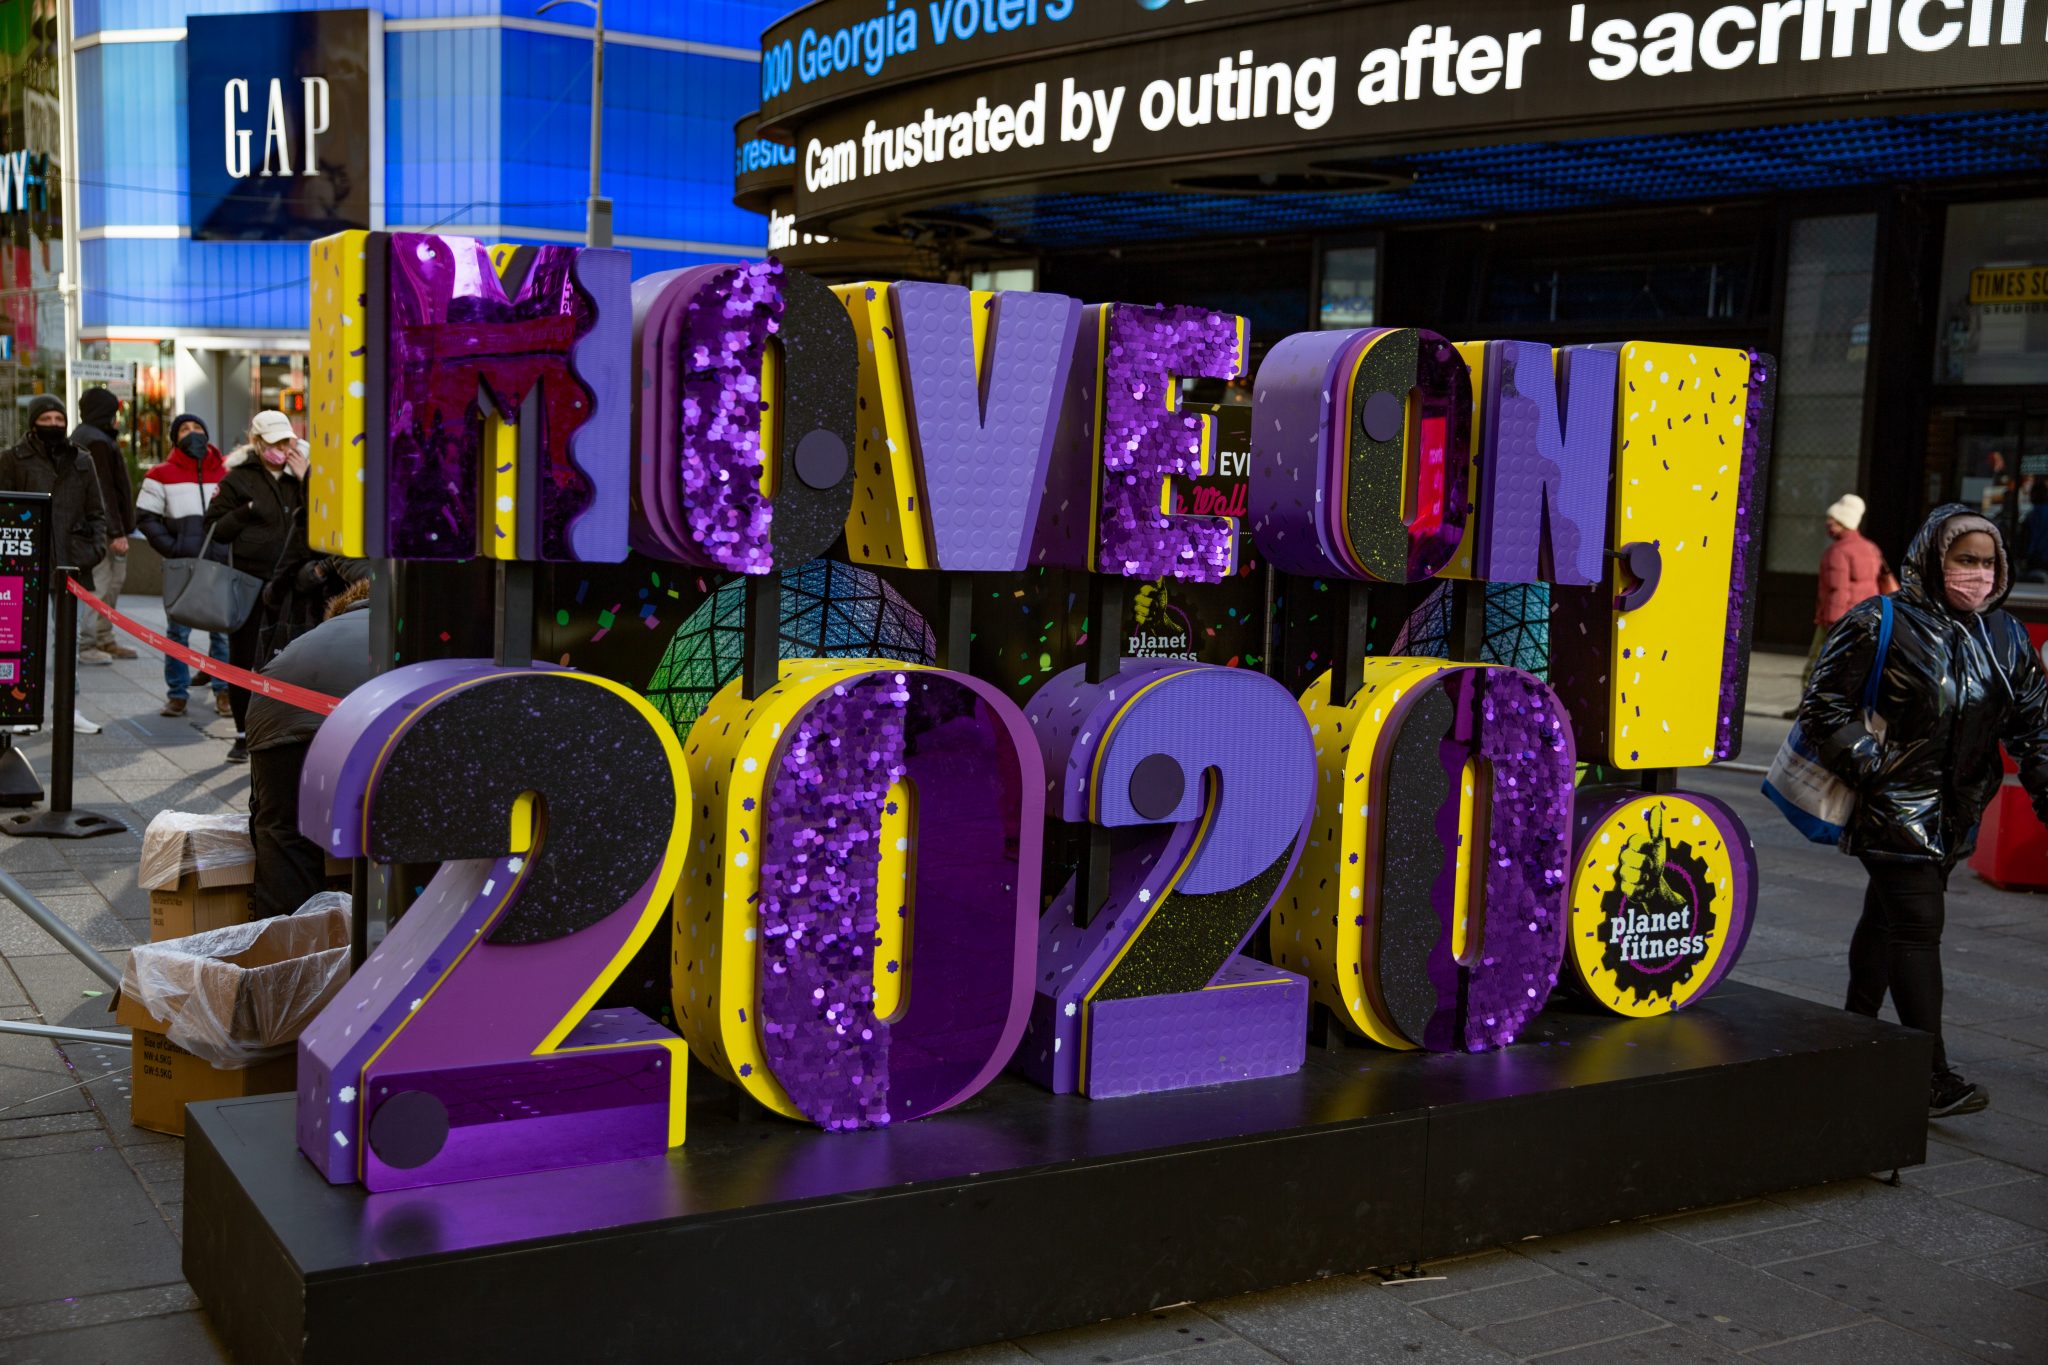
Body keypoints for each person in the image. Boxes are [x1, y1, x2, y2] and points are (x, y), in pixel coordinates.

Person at [1802, 504, 2048, 1120]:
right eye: (1966, 559)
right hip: (1892, 807)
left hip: (1956, 811)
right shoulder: (1878, 621)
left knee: (1885, 919)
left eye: (1988, 561)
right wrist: (1873, 768)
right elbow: (1824, 705)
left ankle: (1856, 1028)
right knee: (1916, 928)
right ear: (1934, 560)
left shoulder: (2005, 635)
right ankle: (1929, 1075)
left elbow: (2034, 725)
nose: (1979, 573)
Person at [245, 578, 372, 918]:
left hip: (276, 721)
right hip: (362, 723)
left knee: (284, 833)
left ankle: (289, 940)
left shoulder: (316, 635)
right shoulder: (408, 628)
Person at [203, 411, 308, 764]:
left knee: (289, 658)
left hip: (291, 583)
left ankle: (283, 730)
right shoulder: (237, 478)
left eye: (286, 441)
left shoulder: (300, 474)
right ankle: (242, 733)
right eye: (274, 442)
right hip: (249, 581)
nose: (282, 448)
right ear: (257, 442)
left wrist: (306, 479)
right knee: (243, 657)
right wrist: (245, 511)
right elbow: (215, 528)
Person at [0, 397, 109, 736]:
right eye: (45, 418)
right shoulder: (12, 459)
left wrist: (94, 550)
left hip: (72, 564)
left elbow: (97, 513)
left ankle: (67, 708)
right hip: (25, 565)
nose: (53, 424)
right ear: (33, 423)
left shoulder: (82, 459)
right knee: (22, 640)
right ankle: (19, 708)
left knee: (68, 642)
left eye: (58, 418)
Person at [135, 414, 232, 719]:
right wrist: (172, 548)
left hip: (221, 563)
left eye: (197, 428)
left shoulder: (228, 471)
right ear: (174, 438)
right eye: (184, 429)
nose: (192, 433)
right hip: (182, 564)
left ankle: (224, 691)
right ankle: (177, 694)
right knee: (178, 632)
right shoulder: (160, 474)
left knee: (222, 632)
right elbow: (145, 517)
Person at [71, 388, 137, 665]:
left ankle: (102, 637)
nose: (116, 418)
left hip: (96, 527)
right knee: (101, 585)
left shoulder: (86, 436)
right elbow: (104, 490)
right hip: (101, 530)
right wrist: (115, 531)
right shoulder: (96, 441)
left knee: (109, 584)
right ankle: (88, 644)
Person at [1799, 494, 1885, 692]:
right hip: (1866, 617)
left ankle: (1810, 702)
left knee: (1818, 663)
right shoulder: (1871, 548)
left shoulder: (1837, 552)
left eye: (1832, 521)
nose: (1828, 525)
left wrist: (1833, 624)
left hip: (1838, 618)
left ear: (1844, 522)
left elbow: (1838, 590)